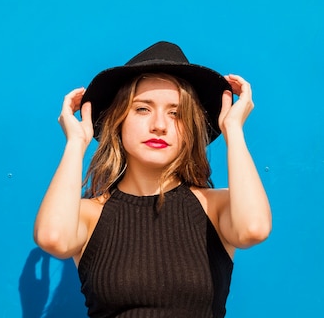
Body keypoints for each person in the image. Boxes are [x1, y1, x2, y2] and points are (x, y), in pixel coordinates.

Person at [33, 41, 272, 317]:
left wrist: (233, 130)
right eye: (142, 109)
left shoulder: (213, 207)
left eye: (176, 113)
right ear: (118, 120)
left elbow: (254, 229)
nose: (159, 125)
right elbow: (52, 238)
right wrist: (76, 143)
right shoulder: (90, 215)